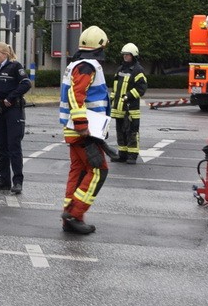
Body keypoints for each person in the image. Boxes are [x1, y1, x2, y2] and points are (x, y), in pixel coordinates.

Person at [60, 26, 111, 235]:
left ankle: (71, 218)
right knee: (99, 171)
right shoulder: (87, 67)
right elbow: (76, 95)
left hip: (78, 130)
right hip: (84, 131)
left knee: (79, 172)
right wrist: (82, 126)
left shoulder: (78, 64)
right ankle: (74, 213)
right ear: (99, 46)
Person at [0, 41, 30, 194]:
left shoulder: (15, 66)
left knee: (13, 146)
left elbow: (26, 84)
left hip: (13, 109)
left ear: (5, 54)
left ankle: (17, 181)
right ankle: (4, 179)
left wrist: (11, 97)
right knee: (0, 145)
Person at [109, 43, 148, 164]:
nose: (125, 57)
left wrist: (128, 96)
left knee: (132, 132)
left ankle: (132, 155)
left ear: (134, 56)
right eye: (124, 55)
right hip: (119, 108)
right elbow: (115, 87)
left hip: (131, 108)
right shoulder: (120, 69)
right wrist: (111, 99)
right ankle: (122, 154)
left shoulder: (137, 70)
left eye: (128, 55)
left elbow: (141, 88)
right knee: (120, 132)